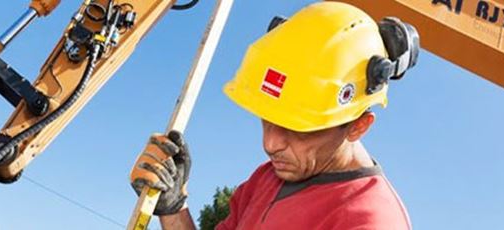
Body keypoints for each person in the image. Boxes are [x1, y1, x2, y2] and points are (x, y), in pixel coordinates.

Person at [130, 1, 420, 229]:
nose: (270, 144)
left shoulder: (371, 221)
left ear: (358, 126)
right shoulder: (267, 178)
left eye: (297, 127)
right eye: (267, 118)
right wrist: (173, 208)